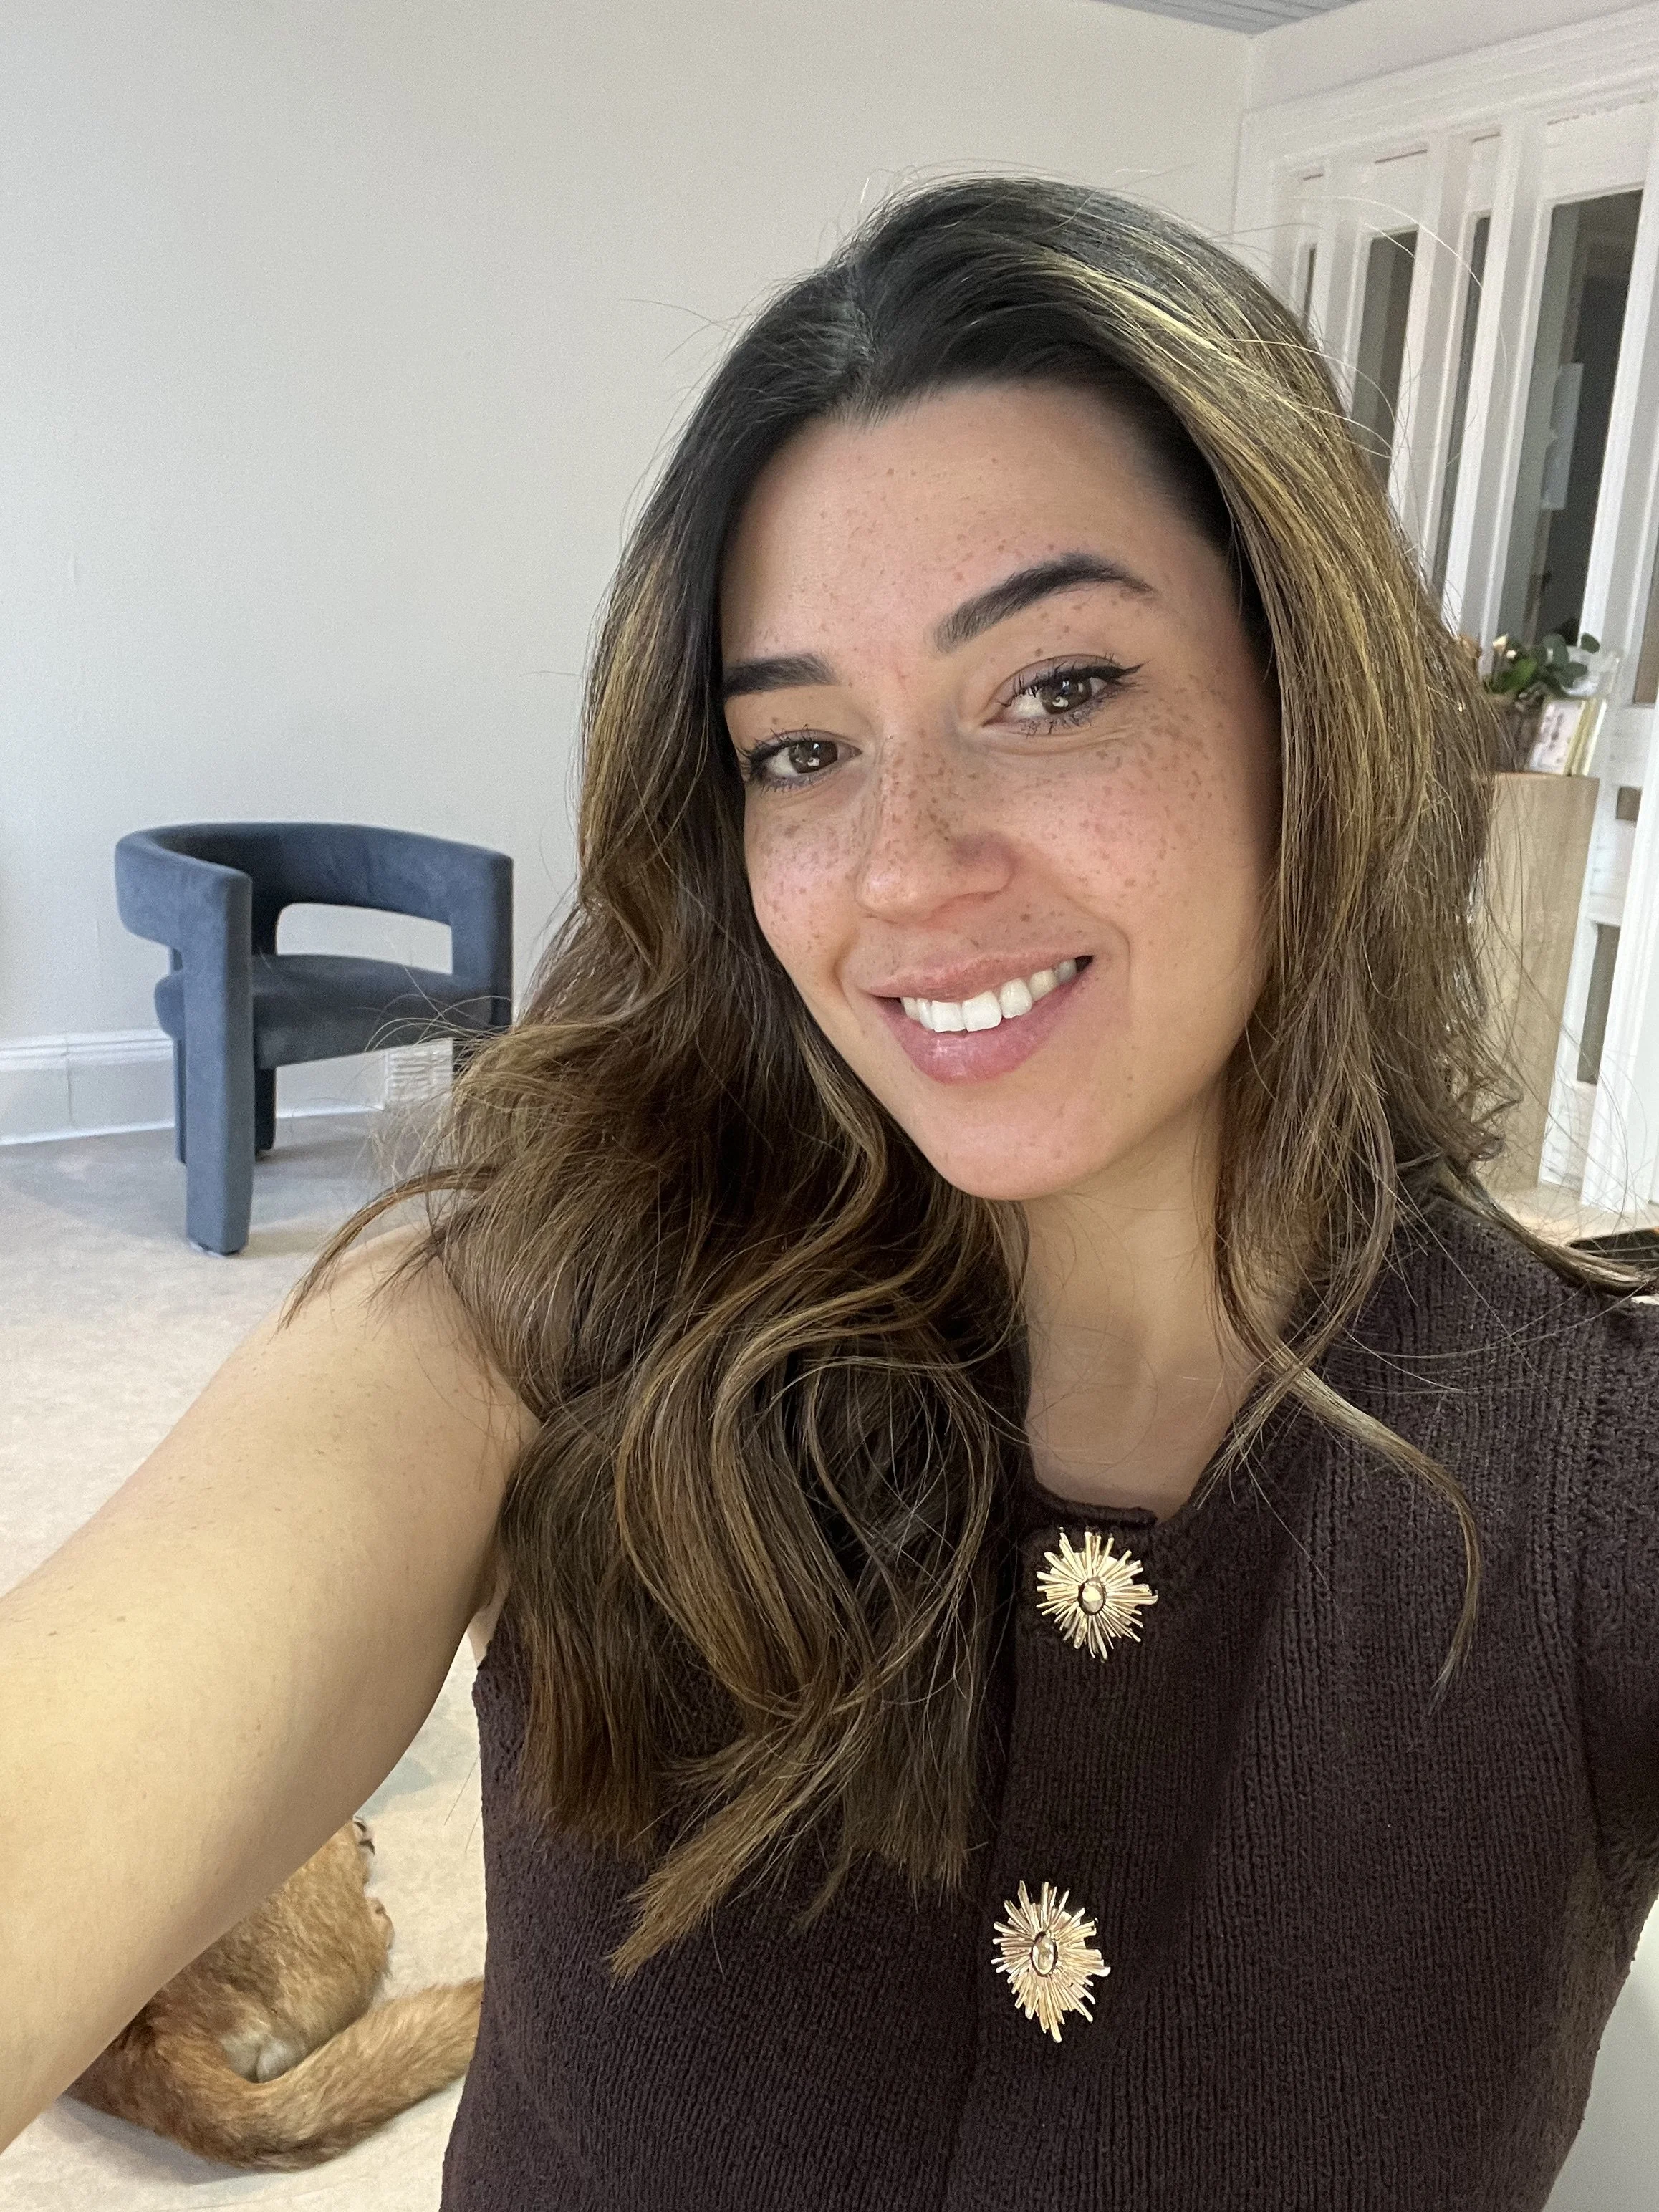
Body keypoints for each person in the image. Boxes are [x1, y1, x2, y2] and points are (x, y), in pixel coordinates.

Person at [3, 173, 1657, 2209]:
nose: (898, 872)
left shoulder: (1598, 1454)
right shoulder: (538, 1310)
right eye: (798, 750)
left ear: (1314, 710)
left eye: (1056, 688)